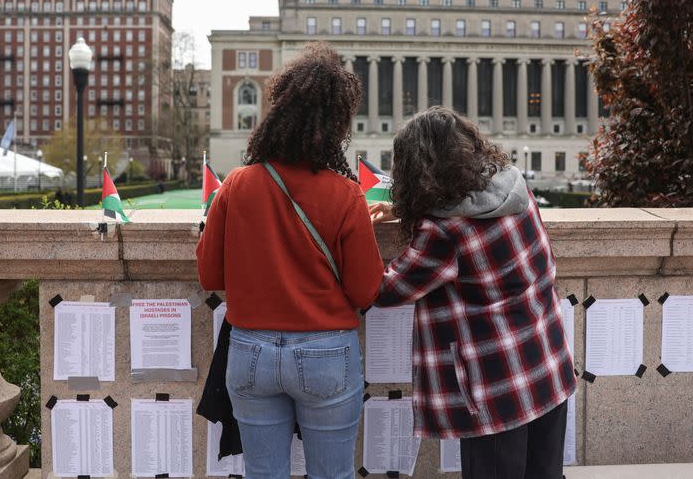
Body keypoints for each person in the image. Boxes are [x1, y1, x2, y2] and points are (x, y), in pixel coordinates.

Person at [197, 42, 384, 479]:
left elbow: (209, 274)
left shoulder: (238, 184)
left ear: (278, 112)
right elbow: (365, 290)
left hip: (250, 352)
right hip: (325, 351)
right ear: (336, 123)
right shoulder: (345, 194)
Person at [370, 106, 576, 479]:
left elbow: (384, 289)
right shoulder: (514, 186)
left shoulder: (445, 232)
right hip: (545, 362)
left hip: (497, 387)